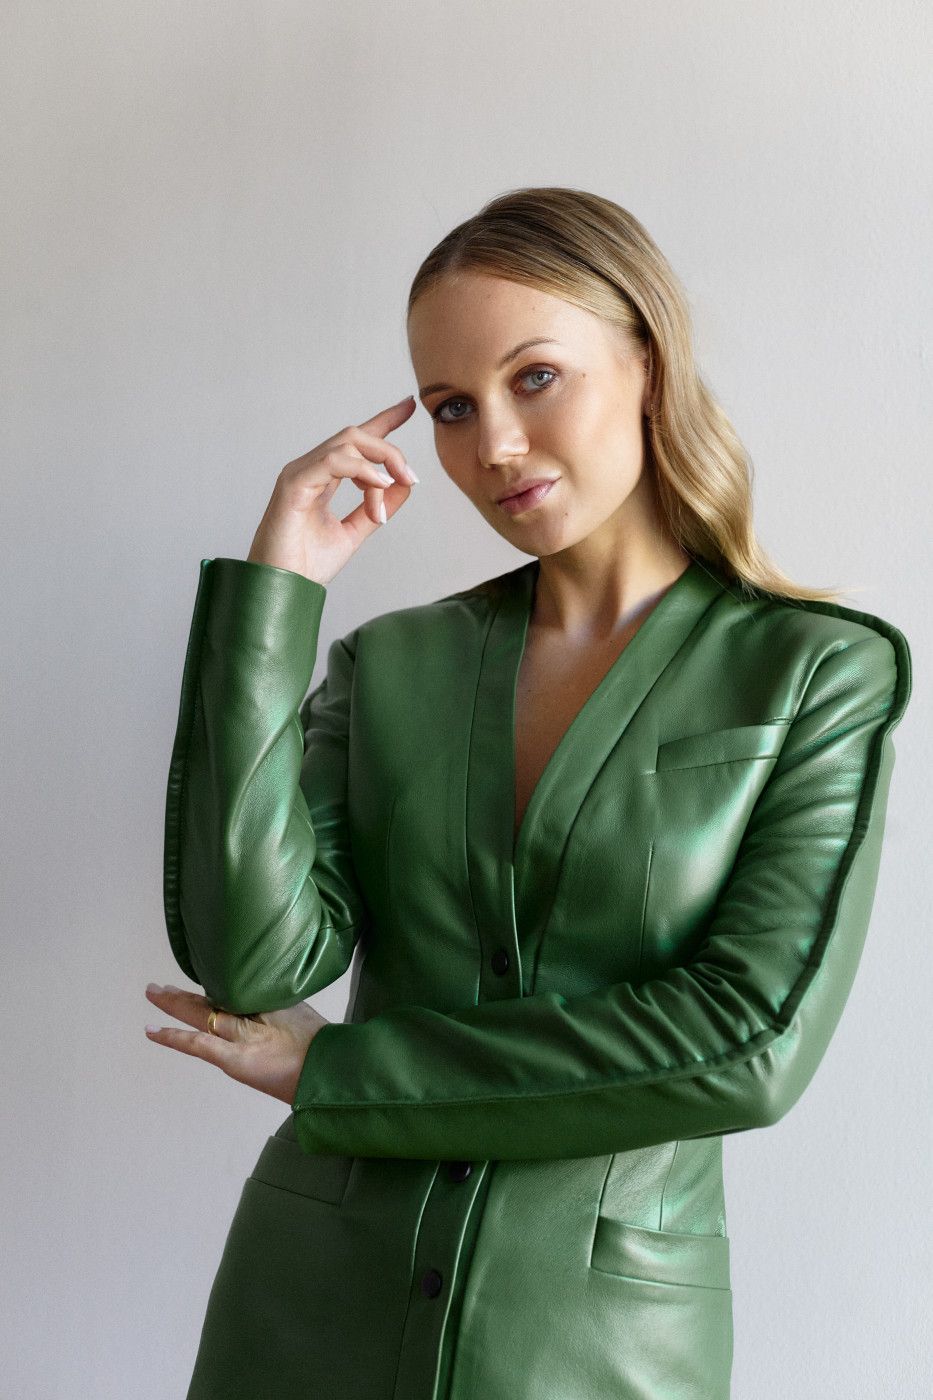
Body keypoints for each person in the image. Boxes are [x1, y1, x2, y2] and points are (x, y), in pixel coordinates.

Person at [145, 187, 912, 1400]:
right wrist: (274, 593)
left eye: (534, 377)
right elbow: (254, 962)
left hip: (592, 1343)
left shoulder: (817, 670)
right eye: (452, 406)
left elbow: (748, 1042)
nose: (492, 444)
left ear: (648, 363)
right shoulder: (390, 663)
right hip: (307, 1307)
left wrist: (342, 1074)